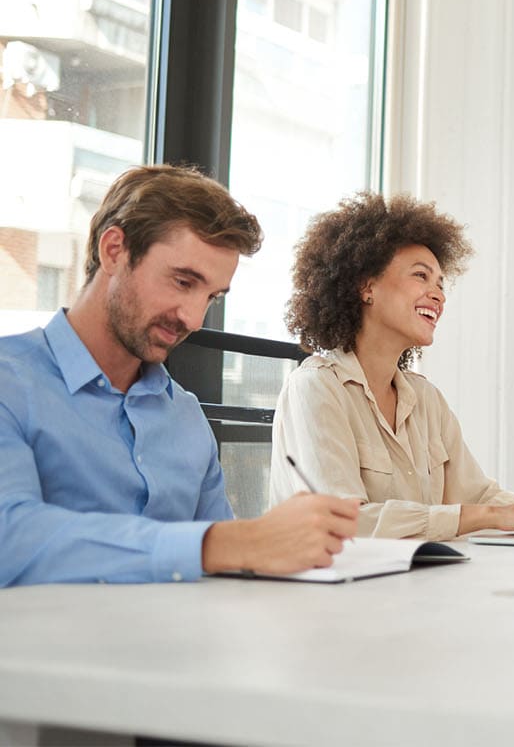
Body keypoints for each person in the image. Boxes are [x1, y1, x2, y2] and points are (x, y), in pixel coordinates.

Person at [0, 165, 360, 587]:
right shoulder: (12, 382)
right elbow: (10, 539)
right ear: (114, 250)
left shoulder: (185, 417)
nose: (192, 317)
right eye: (183, 281)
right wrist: (221, 545)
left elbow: (224, 571)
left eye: (210, 296)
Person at [269, 193, 514, 540]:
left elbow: (478, 497)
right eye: (421, 276)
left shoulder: (425, 399)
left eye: (440, 284)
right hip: (335, 589)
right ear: (366, 286)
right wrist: (493, 515)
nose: (438, 295)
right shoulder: (315, 387)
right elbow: (345, 523)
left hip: (413, 583)